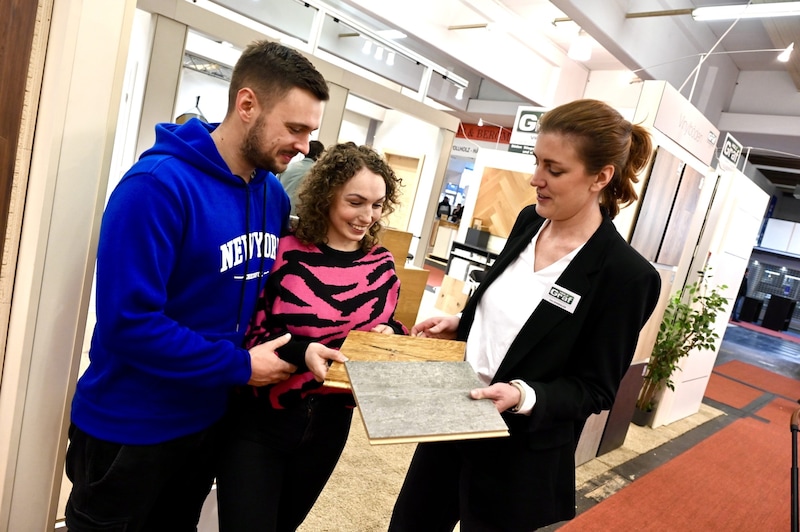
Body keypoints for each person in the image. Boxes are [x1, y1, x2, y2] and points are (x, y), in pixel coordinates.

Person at [64, 41, 336, 532]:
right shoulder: (155, 186)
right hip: (131, 428)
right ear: (247, 105)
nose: (303, 146)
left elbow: (256, 306)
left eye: (310, 132)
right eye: (294, 128)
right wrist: (238, 366)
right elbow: (129, 324)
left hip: (208, 422)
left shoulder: (271, 194)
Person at [389, 99, 662, 531]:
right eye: (537, 162)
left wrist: (523, 394)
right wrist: (464, 323)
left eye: (554, 170)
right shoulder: (527, 222)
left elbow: (595, 388)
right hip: (453, 417)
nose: (536, 180)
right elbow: (514, 312)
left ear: (601, 177)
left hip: (520, 453)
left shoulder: (625, 276)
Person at [216, 142, 408, 532]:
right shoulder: (284, 252)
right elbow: (251, 330)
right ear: (328, 194)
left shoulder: (382, 266)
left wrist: (392, 334)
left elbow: (385, 331)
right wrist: (303, 352)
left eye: (376, 204)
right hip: (261, 417)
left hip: (330, 423)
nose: (366, 216)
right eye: (356, 202)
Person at [279, 139, 325, 215]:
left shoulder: (287, 167)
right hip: (299, 216)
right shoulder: (318, 174)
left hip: (279, 212)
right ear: (320, 155)